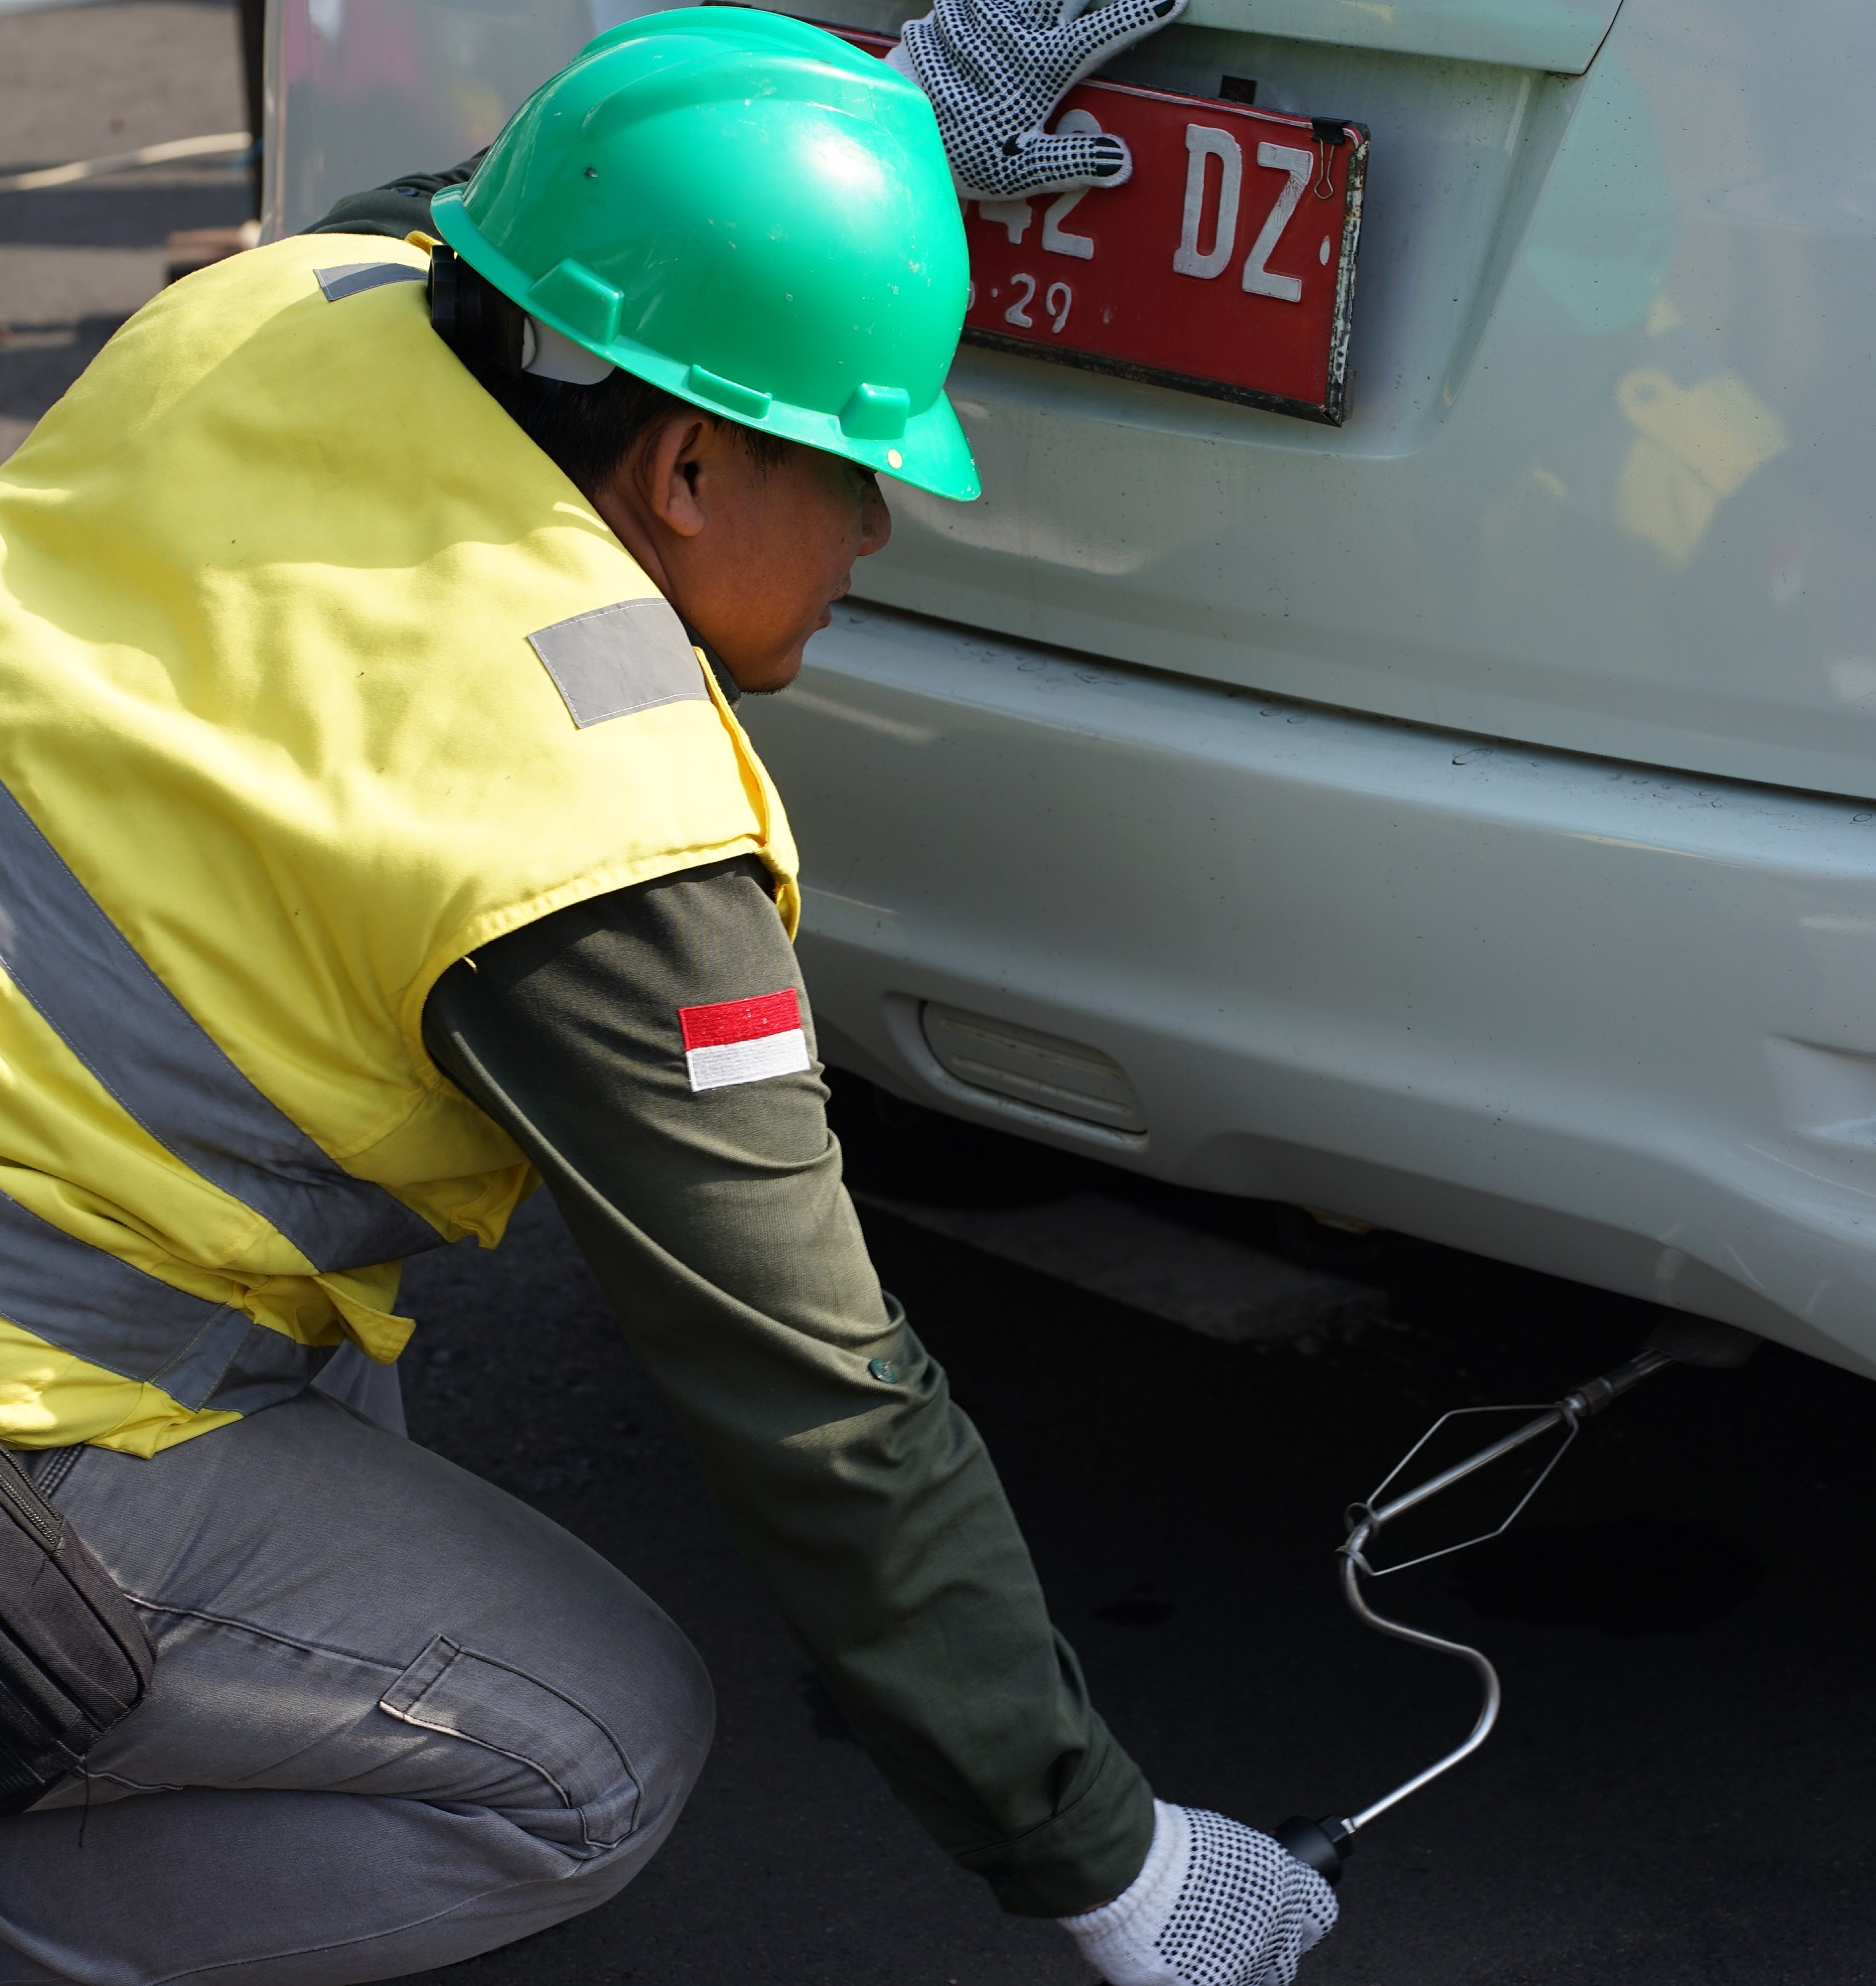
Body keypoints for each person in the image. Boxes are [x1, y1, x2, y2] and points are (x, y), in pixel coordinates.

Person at [0, 9, 1334, 1984]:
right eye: (858, 461)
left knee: (332, 1380)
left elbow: (515, 218)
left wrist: (874, 145)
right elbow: (825, 1409)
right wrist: (1109, 1867)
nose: (879, 523)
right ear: (690, 464)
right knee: (597, 1747)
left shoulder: (294, 303)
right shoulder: (589, 821)